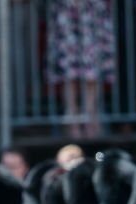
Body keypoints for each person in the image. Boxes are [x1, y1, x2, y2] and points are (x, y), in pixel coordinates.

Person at [46, 0, 115, 139]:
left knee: (93, 66)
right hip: (66, 11)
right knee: (68, 68)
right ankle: (72, 116)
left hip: (94, 13)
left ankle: (89, 115)